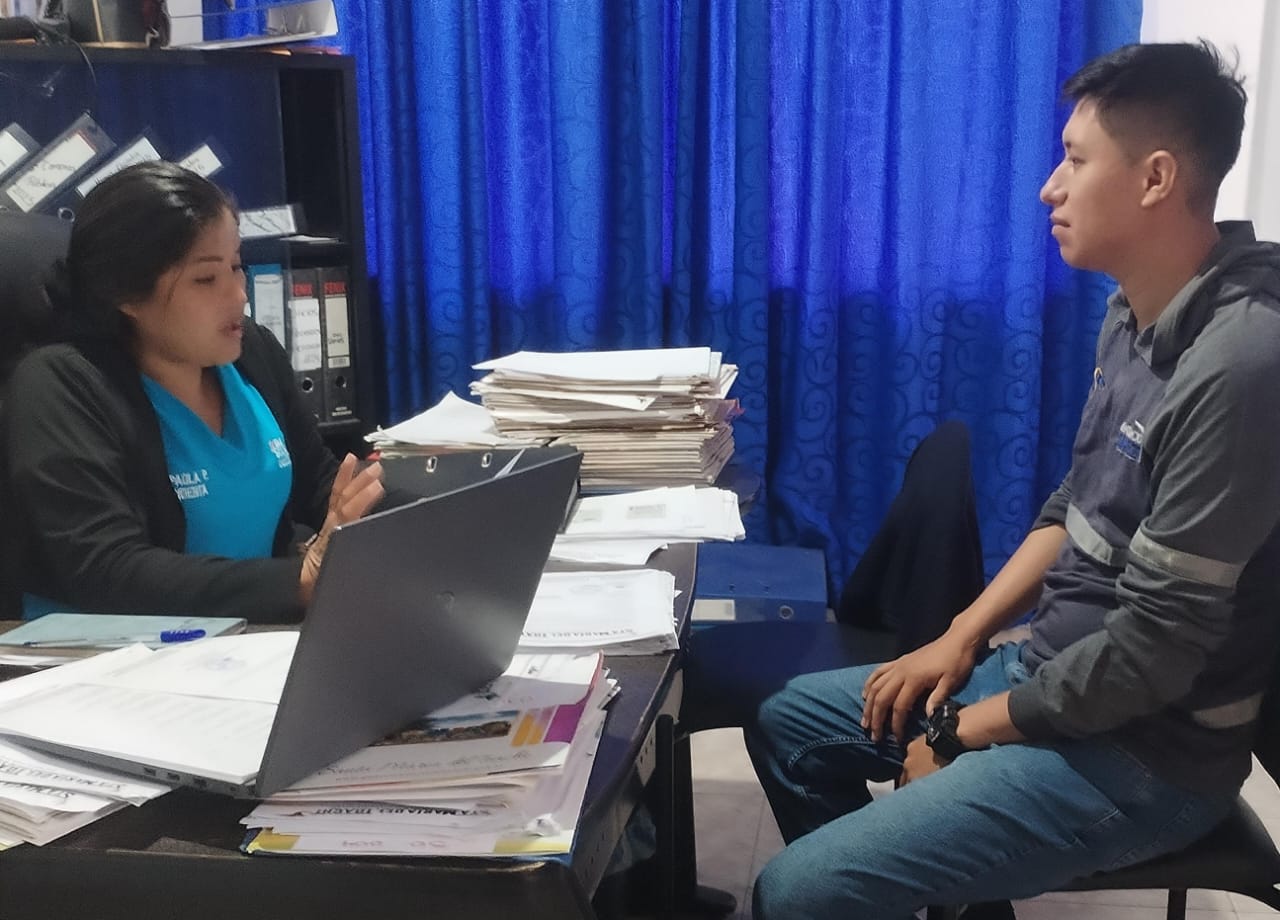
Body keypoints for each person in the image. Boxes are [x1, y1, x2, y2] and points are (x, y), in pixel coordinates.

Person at [745, 40, 1280, 919]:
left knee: (794, 891)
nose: (1048, 188)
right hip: (1055, 675)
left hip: (1147, 755)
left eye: (1075, 160)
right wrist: (961, 637)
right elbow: (1075, 505)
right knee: (790, 722)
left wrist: (959, 732)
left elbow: (1152, 653)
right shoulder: (1136, 308)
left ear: (1154, 178)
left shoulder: (1241, 365)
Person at [2, 161, 385, 623]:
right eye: (207, 278)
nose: (239, 294)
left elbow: (322, 486)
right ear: (127, 294)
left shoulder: (254, 352)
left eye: (236, 266)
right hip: (101, 652)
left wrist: (409, 513)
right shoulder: (59, 385)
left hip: (246, 637)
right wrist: (298, 580)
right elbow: (106, 570)